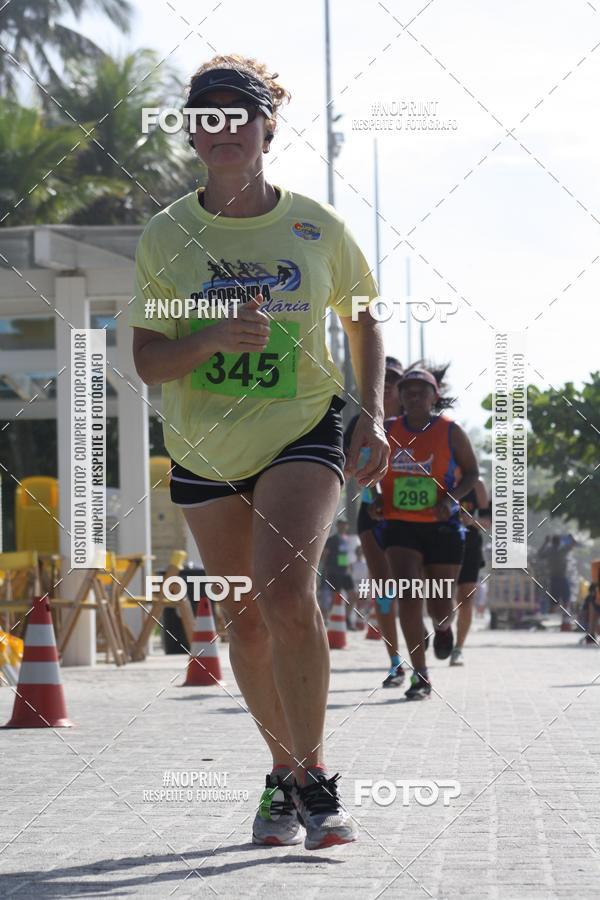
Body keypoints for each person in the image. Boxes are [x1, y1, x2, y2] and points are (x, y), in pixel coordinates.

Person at [129, 55, 389, 849]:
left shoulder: (315, 227)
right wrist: (210, 339)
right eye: (204, 117)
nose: (221, 129)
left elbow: (365, 317)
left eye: (236, 114)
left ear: (266, 127)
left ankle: (315, 781)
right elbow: (147, 360)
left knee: (284, 595)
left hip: (302, 428)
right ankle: (281, 775)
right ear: (193, 136)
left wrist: (371, 412)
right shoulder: (169, 236)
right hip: (206, 445)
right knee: (243, 621)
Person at [370, 366, 479, 700]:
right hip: (399, 524)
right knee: (408, 593)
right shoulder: (387, 430)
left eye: (421, 391)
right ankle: (421, 675)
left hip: (441, 526)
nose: (414, 397)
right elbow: (367, 469)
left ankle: (443, 628)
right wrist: (373, 498)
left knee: (440, 603)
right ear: (400, 397)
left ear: (435, 396)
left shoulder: (450, 431)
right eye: (408, 391)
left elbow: (472, 473)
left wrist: (451, 498)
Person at [344, 356, 406, 685]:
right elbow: (346, 468)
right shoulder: (359, 423)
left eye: (394, 381)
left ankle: (427, 639)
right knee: (383, 591)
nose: (388, 387)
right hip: (374, 517)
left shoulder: (422, 424)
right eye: (383, 380)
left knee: (415, 591)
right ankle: (395, 661)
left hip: (417, 523)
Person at [451, 478, 490, 666]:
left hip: (470, 545)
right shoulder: (438, 474)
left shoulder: (476, 484)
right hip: (441, 541)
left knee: (466, 599)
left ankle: (458, 648)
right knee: (439, 595)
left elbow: (488, 522)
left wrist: (472, 520)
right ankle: (441, 630)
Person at [321, 519, 360, 629]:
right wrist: (326, 569)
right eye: (341, 525)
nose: (343, 527)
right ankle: (329, 618)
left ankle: (346, 619)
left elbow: (348, 556)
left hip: (345, 572)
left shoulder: (347, 540)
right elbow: (325, 554)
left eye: (345, 525)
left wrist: (349, 567)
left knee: (353, 596)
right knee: (336, 597)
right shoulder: (332, 539)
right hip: (333, 571)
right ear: (337, 526)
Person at [539, 534, 578, 629]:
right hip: (562, 578)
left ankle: (560, 616)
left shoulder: (549, 551)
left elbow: (539, 555)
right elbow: (574, 544)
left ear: (551, 542)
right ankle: (564, 618)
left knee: (555, 601)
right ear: (559, 542)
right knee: (566, 598)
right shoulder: (562, 550)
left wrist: (545, 543)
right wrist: (571, 537)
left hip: (553, 578)